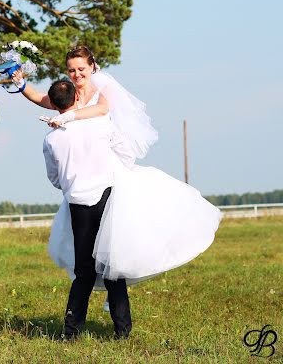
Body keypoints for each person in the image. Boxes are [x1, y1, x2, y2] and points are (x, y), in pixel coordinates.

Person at [13, 46, 222, 293]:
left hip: (107, 168)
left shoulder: (103, 87)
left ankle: (115, 285)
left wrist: (68, 118)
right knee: (85, 243)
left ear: (92, 66)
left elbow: (101, 110)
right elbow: (41, 99)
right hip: (82, 174)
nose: (77, 74)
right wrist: (21, 83)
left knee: (115, 236)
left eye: (81, 69)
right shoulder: (69, 94)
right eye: (71, 70)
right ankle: (91, 281)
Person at [43, 79, 132, 340]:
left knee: (83, 270)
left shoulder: (51, 139)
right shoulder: (101, 124)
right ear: (77, 100)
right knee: (111, 265)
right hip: (106, 196)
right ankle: (122, 330)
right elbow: (126, 153)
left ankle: (71, 331)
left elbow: (54, 177)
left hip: (77, 203)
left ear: (55, 107)